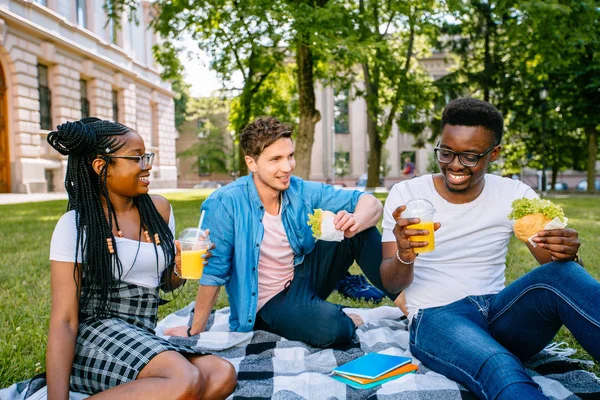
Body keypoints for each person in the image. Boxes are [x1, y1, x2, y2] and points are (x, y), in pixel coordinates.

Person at [380, 98, 600, 399]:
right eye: (446, 152)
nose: (455, 165)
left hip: (499, 313)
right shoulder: (407, 194)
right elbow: (391, 282)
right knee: (502, 368)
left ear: (493, 153)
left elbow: (556, 269)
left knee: (564, 274)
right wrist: (405, 256)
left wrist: (566, 251)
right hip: (437, 318)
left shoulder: (514, 194)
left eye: (470, 156)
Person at [46, 118, 237, 399]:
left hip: (142, 335)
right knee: (185, 380)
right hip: (96, 337)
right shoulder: (76, 225)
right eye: (136, 158)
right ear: (102, 166)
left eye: (147, 156)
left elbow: (165, 283)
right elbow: (64, 320)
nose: (147, 165)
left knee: (222, 374)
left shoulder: (158, 211)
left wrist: (181, 266)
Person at [165, 116, 395, 348]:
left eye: (290, 156)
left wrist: (354, 220)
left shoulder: (299, 189)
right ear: (251, 163)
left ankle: (413, 309)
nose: (287, 167)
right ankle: (324, 316)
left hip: (303, 276)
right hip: (268, 302)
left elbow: (371, 203)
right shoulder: (225, 203)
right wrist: (194, 330)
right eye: (275, 159)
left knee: (361, 230)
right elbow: (214, 272)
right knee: (337, 329)